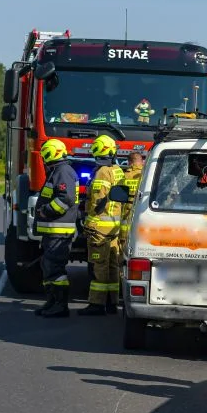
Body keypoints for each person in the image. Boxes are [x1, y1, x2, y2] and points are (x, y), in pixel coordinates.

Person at [80, 134, 125, 316]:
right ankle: (112, 303)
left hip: (99, 228)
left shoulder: (101, 172)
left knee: (98, 266)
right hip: (114, 226)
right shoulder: (118, 170)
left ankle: (96, 304)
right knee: (112, 265)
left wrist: (87, 219)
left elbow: (97, 201)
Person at [34, 139, 79, 318]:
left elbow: (65, 198)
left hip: (58, 232)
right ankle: (52, 302)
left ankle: (60, 306)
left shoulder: (62, 171)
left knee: (55, 269)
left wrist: (46, 211)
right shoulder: (58, 171)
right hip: (53, 232)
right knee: (48, 266)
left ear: (48, 154)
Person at [118, 151, 145, 256]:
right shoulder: (146, 175)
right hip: (142, 216)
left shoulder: (124, 177)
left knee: (123, 249)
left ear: (129, 162)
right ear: (142, 161)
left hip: (125, 217)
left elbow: (118, 199)